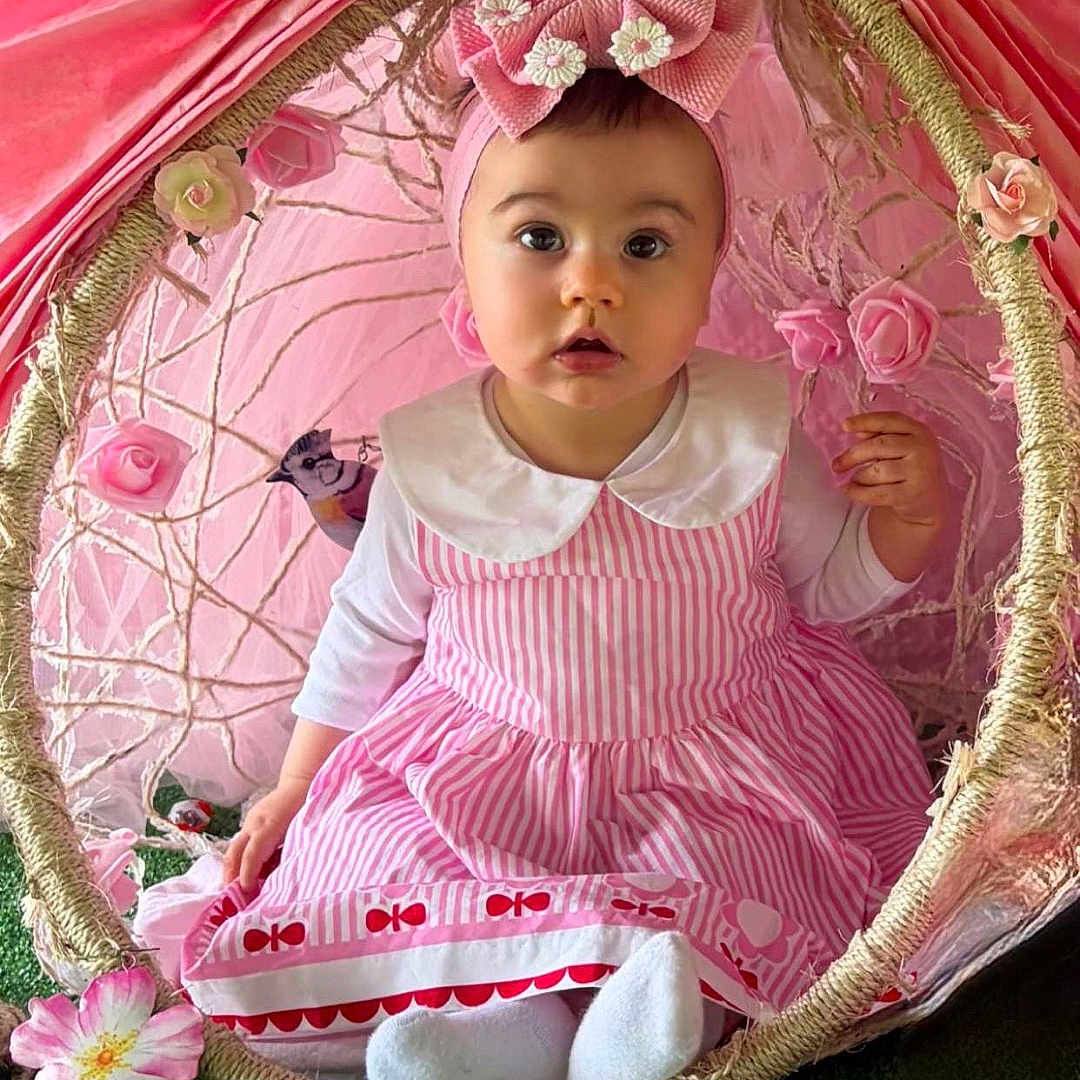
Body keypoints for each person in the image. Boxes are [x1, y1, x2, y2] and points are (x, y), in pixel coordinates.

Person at [135, 2, 945, 1077]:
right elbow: (365, 635)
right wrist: (296, 783)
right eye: (539, 238)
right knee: (389, 860)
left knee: (727, 885)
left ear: (712, 269)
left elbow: (825, 590)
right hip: (484, 760)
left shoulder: (748, 431)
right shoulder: (433, 460)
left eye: (646, 245)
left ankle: (648, 1028)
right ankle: (493, 1030)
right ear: (464, 261)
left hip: (714, 758)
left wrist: (904, 522)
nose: (591, 283)